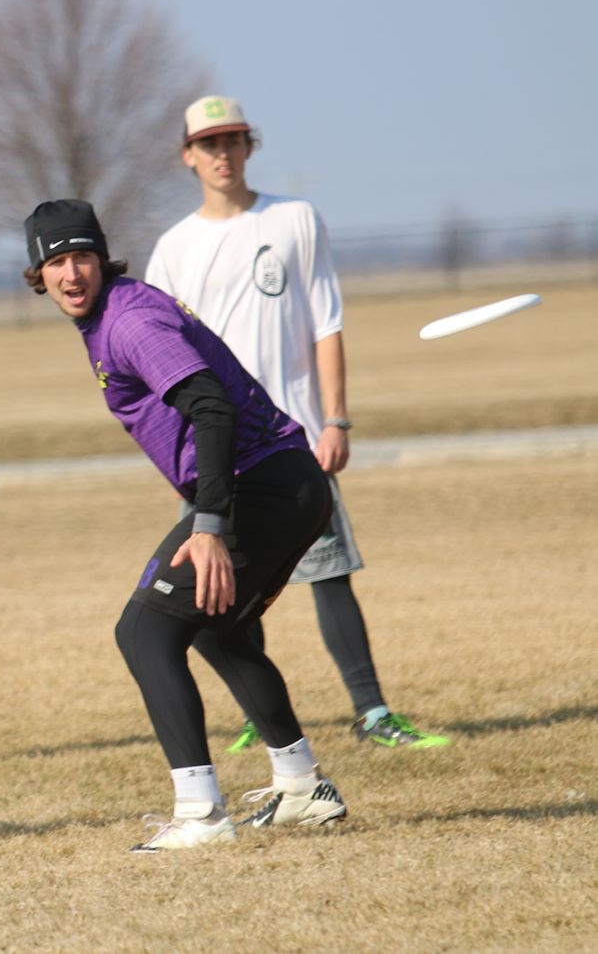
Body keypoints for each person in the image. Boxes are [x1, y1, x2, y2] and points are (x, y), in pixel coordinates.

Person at [24, 198, 349, 851]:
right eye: (56, 263)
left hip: (263, 486)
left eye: (82, 257)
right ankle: (301, 787)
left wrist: (209, 526)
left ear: (102, 258)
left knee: (143, 633)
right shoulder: (110, 315)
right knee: (216, 629)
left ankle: (201, 814)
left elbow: (211, 408)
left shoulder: (130, 321)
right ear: (39, 275)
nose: (71, 273)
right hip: (287, 483)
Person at [144, 96, 448, 750]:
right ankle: (259, 717)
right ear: (188, 155)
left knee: (329, 572)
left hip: (293, 445)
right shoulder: (171, 250)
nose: (222, 154)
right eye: (209, 144)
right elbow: (163, 361)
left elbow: (326, 323)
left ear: (249, 146)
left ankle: (372, 713)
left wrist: (334, 419)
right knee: (224, 587)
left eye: (233, 140)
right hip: (216, 453)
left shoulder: (294, 220)